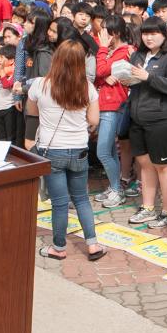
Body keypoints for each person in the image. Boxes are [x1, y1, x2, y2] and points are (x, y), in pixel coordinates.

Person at [28, 41, 105, 261]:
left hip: (51, 151)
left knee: (59, 202)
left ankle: (58, 248)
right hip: (79, 149)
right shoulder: (87, 88)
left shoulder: (41, 85)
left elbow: (32, 112)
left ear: (56, 59)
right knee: (81, 198)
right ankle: (92, 244)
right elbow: (94, 120)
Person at [126, 17, 167, 229]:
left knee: (164, 165)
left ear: (164, 35)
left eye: (154, 33)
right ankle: (148, 207)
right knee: (144, 163)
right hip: (138, 116)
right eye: (145, 33)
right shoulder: (138, 54)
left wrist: (148, 77)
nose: (149, 37)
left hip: (163, 120)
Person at [93, 15, 135, 207]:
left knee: (103, 151)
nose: (102, 36)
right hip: (104, 104)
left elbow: (101, 71)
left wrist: (101, 49)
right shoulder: (112, 52)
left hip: (113, 106)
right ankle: (114, 185)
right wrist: (104, 77)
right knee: (109, 151)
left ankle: (118, 190)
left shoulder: (124, 52)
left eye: (105, 32)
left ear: (115, 33)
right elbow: (98, 75)